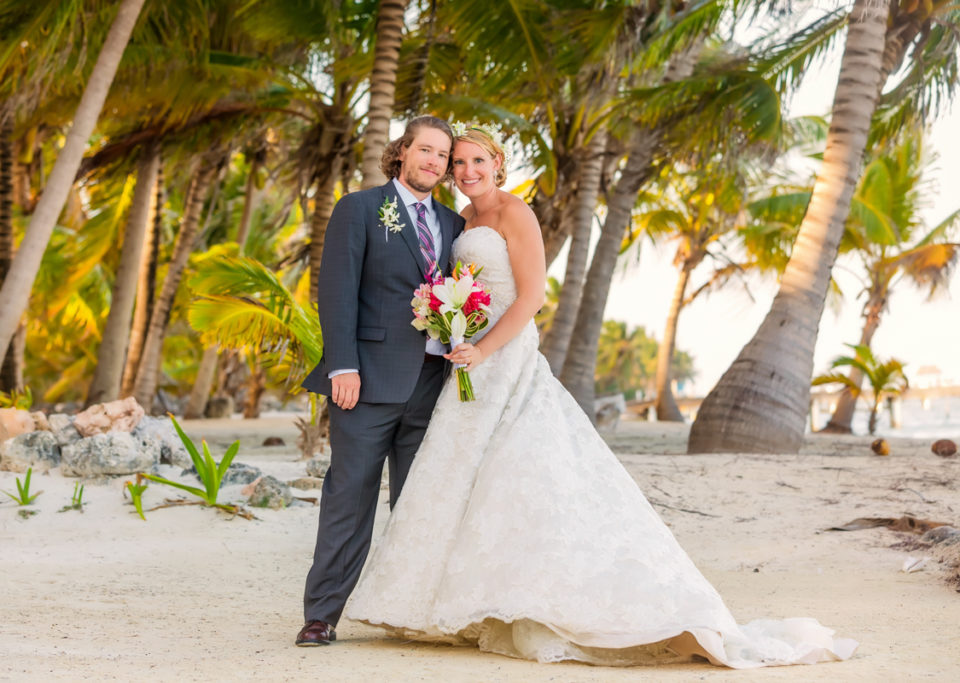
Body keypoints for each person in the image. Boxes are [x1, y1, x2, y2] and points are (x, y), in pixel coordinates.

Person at [342, 124, 858, 668]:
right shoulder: (459, 219)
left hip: (505, 359)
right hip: (467, 363)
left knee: (524, 478)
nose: (466, 172)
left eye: (476, 162)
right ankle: (459, 604)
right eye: (458, 164)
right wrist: (457, 332)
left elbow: (531, 297)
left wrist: (484, 349)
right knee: (467, 480)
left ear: (497, 163)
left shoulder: (517, 213)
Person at [296, 115, 466, 647]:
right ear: (402, 152)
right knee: (350, 496)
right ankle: (322, 615)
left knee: (419, 503)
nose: (433, 161)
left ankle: (411, 609)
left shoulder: (454, 226)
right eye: (425, 150)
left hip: (432, 384)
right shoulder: (361, 209)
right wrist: (342, 365)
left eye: (443, 155)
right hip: (365, 383)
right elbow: (337, 290)